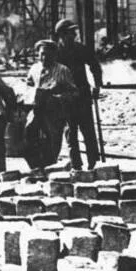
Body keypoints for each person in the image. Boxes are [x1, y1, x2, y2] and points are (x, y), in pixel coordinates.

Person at [54, 19, 103, 170]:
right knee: (71, 132)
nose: (74, 35)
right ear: (62, 35)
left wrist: (97, 85)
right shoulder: (55, 52)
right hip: (65, 98)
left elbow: (95, 65)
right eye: (71, 32)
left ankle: (93, 163)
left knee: (88, 130)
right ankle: (76, 165)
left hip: (83, 95)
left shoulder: (80, 49)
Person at [24, 40, 78, 171]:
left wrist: (57, 97)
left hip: (54, 111)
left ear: (54, 55)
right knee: (28, 133)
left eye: (48, 55)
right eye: (42, 54)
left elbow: (73, 92)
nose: (44, 58)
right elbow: (28, 85)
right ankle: (35, 167)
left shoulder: (62, 70)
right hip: (36, 108)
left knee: (53, 139)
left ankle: (50, 168)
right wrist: (30, 93)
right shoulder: (34, 68)